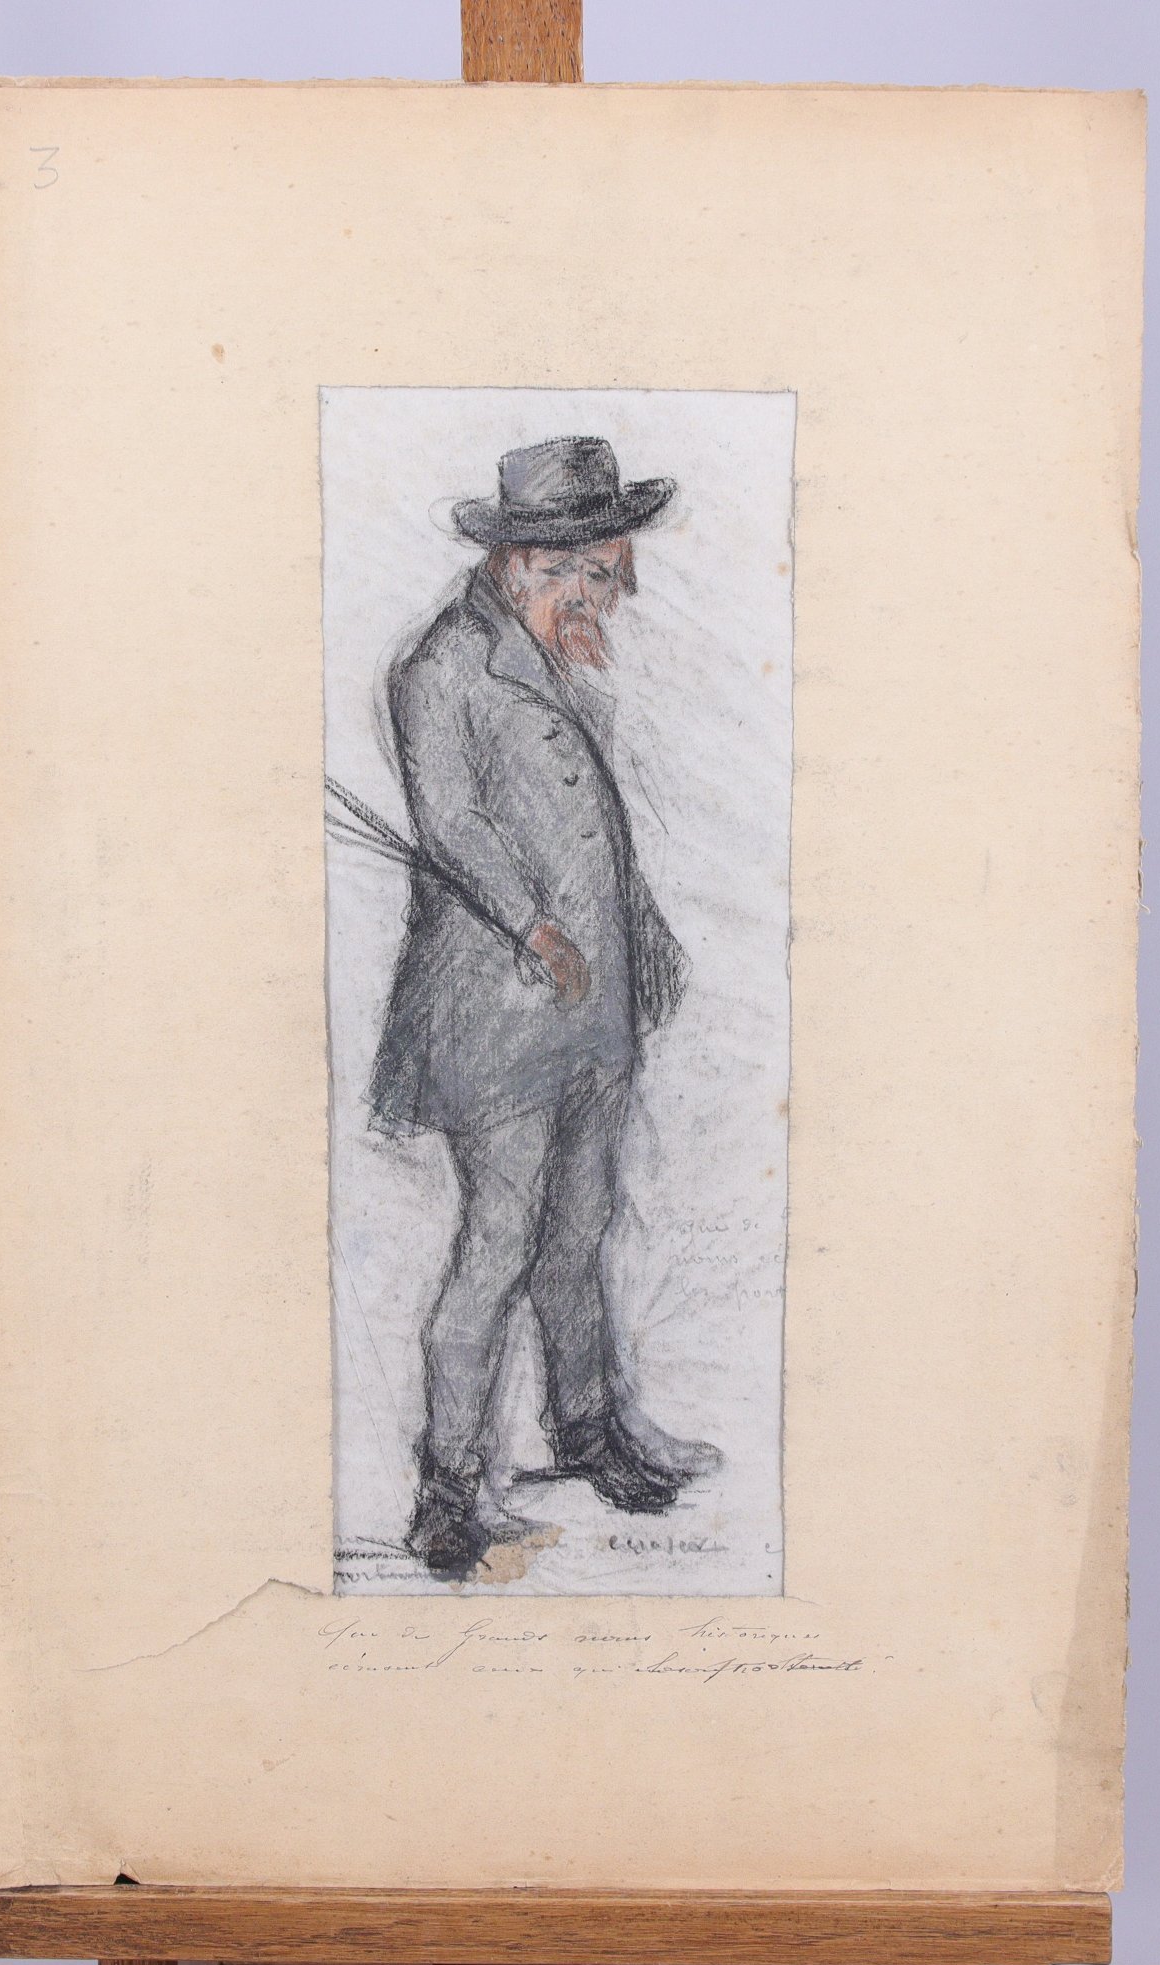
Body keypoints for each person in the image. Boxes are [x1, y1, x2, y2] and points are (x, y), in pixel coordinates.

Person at [363, 436, 720, 1582]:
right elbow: (453, 824)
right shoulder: (441, 667)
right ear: (528, 561)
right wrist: (537, 928)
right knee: (500, 1240)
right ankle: (447, 1489)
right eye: (594, 574)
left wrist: (641, 935)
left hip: (591, 1004)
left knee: (580, 1229)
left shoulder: (550, 650)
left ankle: (589, 1429)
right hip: (495, 1012)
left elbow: (598, 825)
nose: (608, 596)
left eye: (610, 572)